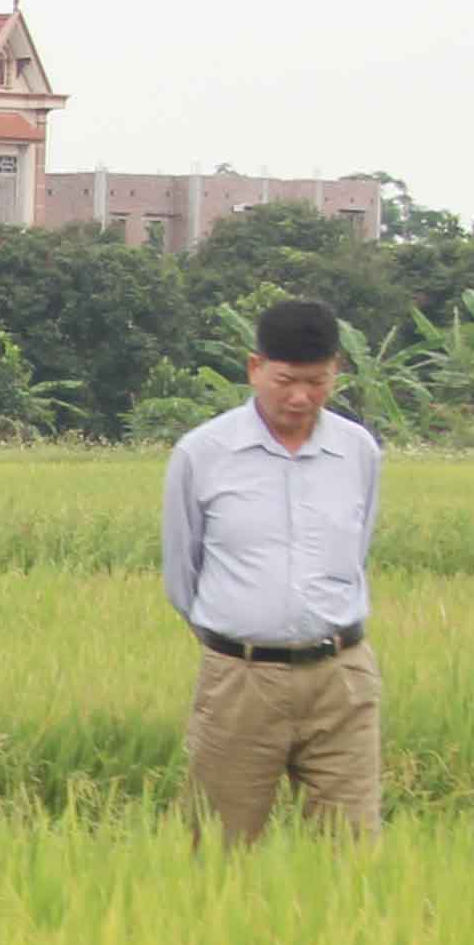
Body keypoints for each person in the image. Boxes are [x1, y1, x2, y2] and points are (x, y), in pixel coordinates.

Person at [164, 295, 384, 843]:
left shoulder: (359, 452)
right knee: (215, 850)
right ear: (255, 368)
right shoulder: (203, 454)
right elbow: (182, 574)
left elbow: (357, 552)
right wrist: (241, 639)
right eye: (286, 380)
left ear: (336, 371)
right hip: (240, 681)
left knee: (353, 850)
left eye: (317, 380)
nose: (301, 396)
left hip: (343, 679)